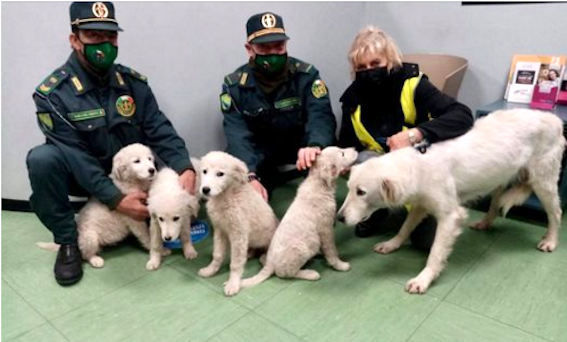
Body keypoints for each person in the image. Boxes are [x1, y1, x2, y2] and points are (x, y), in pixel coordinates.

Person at [27, 2, 196, 286]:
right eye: (94, 36)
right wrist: (116, 199)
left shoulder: (132, 83)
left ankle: (141, 222)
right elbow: (76, 157)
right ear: (74, 40)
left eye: (110, 36)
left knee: (175, 173)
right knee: (42, 160)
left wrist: (184, 165)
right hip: (84, 177)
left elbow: (158, 128)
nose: (104, 44)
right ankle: (70, 243)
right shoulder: (53, 94)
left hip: (134, 177)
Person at [338, 26, 474, 250]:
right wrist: (342, 162)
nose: (368, 71)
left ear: (389, 61)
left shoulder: (413, 83)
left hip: (420, 170)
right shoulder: (352, 99)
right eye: (361, 67)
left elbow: (462, 116)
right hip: (379, 167)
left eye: (375, 64)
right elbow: (346, 143)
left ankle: (410, 210)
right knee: (362, 160)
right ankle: (376, 208)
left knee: (426, 242)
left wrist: (415, 134)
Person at [220, 12, 337, 200]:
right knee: (244, 195)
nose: (273, 54)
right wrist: (249, 175)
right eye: (264, 48)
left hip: (301, 148)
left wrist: (315, 145)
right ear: (249, 49)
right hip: (261, 154)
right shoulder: (235, 86)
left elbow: (321, 116)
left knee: (319, 194)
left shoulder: (306, 75)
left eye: (279, 46)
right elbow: (237, 134)